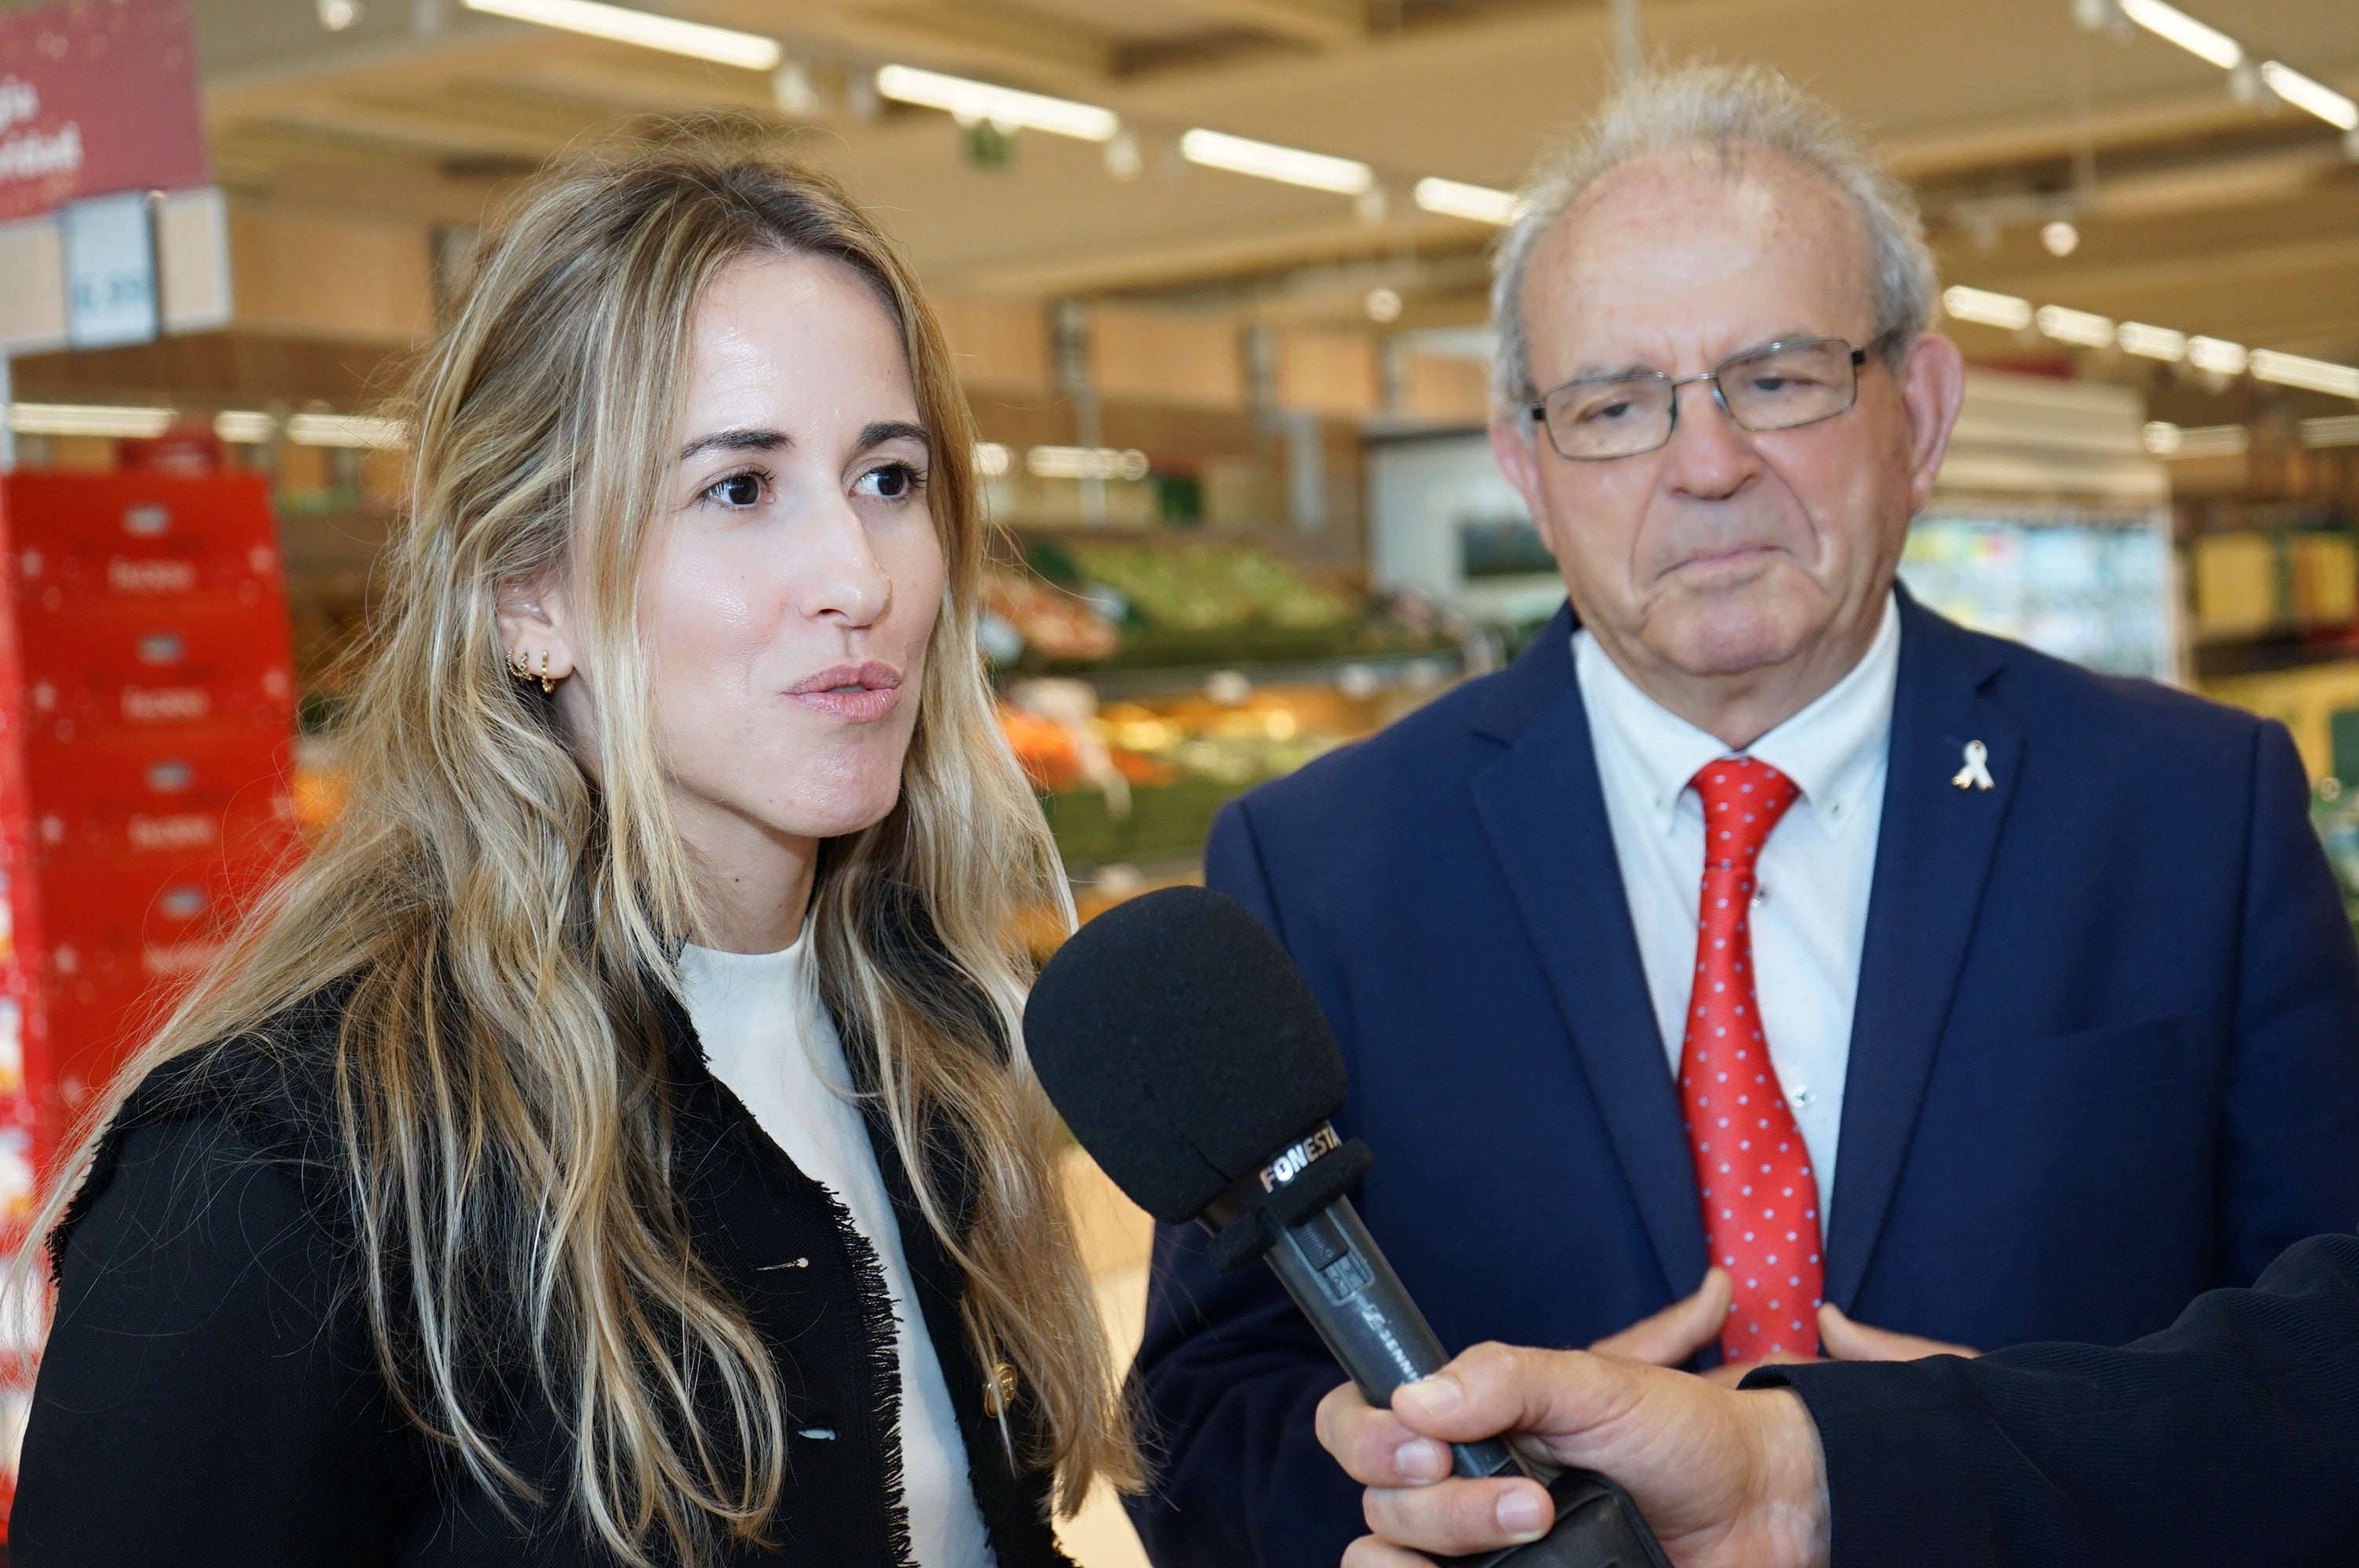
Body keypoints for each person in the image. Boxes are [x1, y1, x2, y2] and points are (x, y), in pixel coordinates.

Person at [1129, 63, 2359, 1567]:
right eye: (1614, 404)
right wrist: (1458, 1505)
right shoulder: (1320, 868)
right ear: (1527, 463)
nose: (1706, 467)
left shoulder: (2190, 812)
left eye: (1777, 378)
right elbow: (1196, 1424)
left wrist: (1990, 1456)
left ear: (1921, 405)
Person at [14, 122, 1136, 1567]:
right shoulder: (282, 1171)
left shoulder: (935, 1044)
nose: (858, 578)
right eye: (739, 489)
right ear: (524, 591)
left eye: (889, 480)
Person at [1310, 1229, 2359, 1566]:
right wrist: (1437, 1479)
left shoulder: (2210, 788)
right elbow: (1215, 1413)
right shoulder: (1304, 845)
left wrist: (1805, 1470)